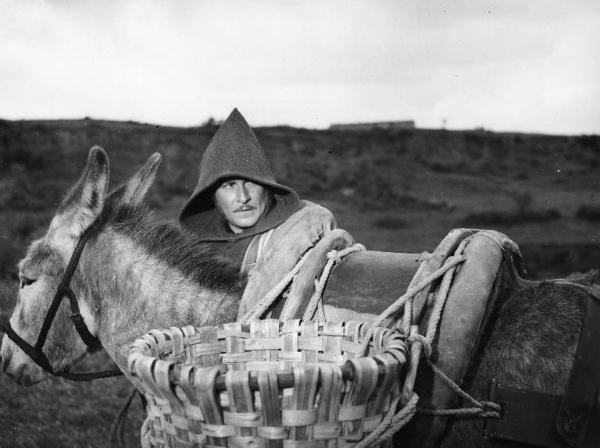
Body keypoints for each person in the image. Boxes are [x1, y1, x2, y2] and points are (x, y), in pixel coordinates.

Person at [179, 109, 342, 317]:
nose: (243, 196)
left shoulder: (297, 230)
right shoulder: (196, 251)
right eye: (229, 186)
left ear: (267, 188)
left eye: (251, 183)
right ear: (212, 196)